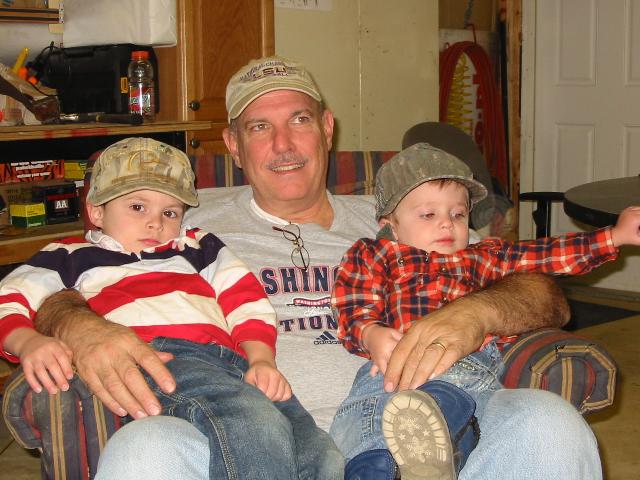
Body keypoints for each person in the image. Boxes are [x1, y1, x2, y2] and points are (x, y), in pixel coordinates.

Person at [30, 56, 601, 480]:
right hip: (244, 440)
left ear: (327, 127)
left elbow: (544, 294)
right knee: (145, 449)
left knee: (547, 421)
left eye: (299, 119)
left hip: (426, 425)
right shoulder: (181, 225)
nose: (284, 144)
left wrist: (474, 314)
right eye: (259, 127)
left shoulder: (410, 214)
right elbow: (61, 274)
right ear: (233, 144)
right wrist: (81, 327)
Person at [0, 137, 343, 480]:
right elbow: (10, 296)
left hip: (230, 363)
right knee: (251, 421)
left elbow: (245, 300)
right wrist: (28, 342)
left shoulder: (198, 246)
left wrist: (261, 359)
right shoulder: (69, 255)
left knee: (319, 452)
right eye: (138, 207)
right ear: (97, 211)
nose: (155, 223)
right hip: (156, 358)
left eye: (169, 212)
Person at [331, 142, 640, 479]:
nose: (447, 224)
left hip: (465, 368)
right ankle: (375, 468)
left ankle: (434, 451)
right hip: (392, 369)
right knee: (364, 418)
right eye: (428, 215)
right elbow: (352, 300)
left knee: (452, 403)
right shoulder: (375, 254)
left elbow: (546, 254)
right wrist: (370, 333)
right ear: (390, 224)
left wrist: (614, 236)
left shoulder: (483, 256)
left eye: (457, 214)